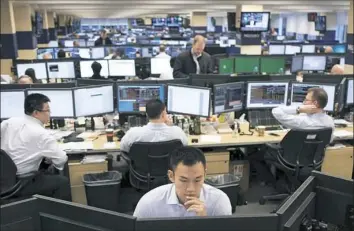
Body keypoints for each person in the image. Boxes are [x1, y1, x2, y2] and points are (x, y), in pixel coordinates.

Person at [250, 88, 335, 184]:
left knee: (254, 155)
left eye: (306, 100)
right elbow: (329, 140)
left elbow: (276, 111)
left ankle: (273, 183)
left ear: (314, 103)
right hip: (313, 160)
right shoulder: (330, 122)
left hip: (288, 160)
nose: (303, 102)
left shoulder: (301, 122)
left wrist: (299, 109)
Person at [0, 93, 70, 200]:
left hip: (4, 178)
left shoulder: (9, 122)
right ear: (36, 113)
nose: (49, 113)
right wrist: (50, 160)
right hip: (21, 182)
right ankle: (62, 215)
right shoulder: (41, 133)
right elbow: (61, 159)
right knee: (62, 182)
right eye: (47, 110)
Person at [133, 146, 232, 218]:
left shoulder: (219, 202)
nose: (191, 189)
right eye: (183, 180)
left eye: (197, 180)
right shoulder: (149, 203)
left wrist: (205, 223)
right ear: (171, 176)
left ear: (205, 174)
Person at [120, 99, 188, 153]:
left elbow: (123, 148)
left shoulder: (133, 133)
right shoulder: (177, 132)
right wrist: (171, 127)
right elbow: (185, 146)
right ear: (163, 113)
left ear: (146, 114)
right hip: (169, 169)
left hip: (141, 170)